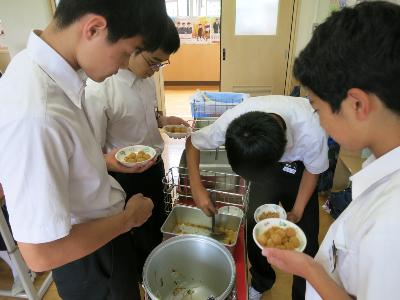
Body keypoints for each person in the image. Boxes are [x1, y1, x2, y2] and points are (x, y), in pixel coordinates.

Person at [0, 1, 168, 299]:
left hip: (104, 235)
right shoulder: (39, 112)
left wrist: (104, 162)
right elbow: (40, 254)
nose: (123, 65)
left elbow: (63, 161)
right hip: (90, 256)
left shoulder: (37, 67)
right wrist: (128, 219)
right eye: (127, 52)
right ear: (94, 28)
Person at [262, 2, 400, 300]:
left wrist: (310, 270)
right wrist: (311, 269)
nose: (317, 120)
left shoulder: (392, 224)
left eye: (316, 108)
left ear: (357, 105)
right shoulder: (382, 164)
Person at [186, 95, 328, 300]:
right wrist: (196, 186)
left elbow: (313, 171)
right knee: (254, 228)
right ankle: (261, 282)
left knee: (307, 243)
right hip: (265, 162)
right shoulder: (234, 122)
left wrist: (296, 212)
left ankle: (302, 295)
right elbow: (193, 142)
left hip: (300, 170)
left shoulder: (312, 129)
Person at [84, 17, 186, 280]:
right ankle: (146, 280)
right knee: (137, 236)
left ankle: (161, 271)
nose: (156, 69)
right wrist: (113, 163)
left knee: (160, 221)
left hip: (154, 165)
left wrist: (163, 121)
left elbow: (144, 116)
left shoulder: (146, 79)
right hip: (124, 178)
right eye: (153, 61)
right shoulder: (100, 88)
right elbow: (91, 154)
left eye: (162, 63)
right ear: (133, 46)